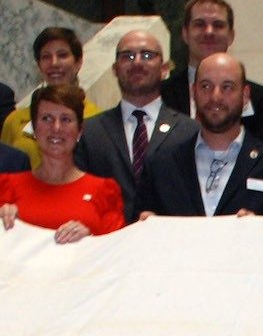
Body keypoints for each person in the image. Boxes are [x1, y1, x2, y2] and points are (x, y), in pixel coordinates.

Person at [138, 53, 263, 217]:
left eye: (227, 87)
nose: (215, 96)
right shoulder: (160, 166)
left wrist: (262, 230)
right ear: (193, 92)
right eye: (206, 86)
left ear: (245, 95)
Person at [76, 30, 199, 223]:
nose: (137, 63)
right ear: (115, 69)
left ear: (165, 68)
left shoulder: (190, 131)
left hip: (168, 243)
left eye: (147, 55)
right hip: (107, 243)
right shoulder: (90, 132)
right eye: (128, 56)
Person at [0, 85, 124, 242]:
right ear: (35, 129)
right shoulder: (5, 187)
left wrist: (92, 238)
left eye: (66, 119)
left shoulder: (104, 192)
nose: (56, 128)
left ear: (79, 130)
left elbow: (115, 253)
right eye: (47, 118)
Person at [160, 0, 263, 146]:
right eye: (200, 24)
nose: (209, 32)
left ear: (231, 36)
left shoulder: (259, 98)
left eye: (218, 25)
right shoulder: (161, 94)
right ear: (185, 34)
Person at [1, 27, 101, 166]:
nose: (54, 63)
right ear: (38, 66)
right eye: (46, 57)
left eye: (62, 55)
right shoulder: (15, 121)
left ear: (78, 62)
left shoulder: (98, 120)